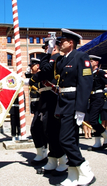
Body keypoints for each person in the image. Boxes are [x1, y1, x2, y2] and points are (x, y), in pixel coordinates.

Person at [51, 29, 95, 186]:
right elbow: (50, 68)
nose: (59, 43)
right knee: (71, 140)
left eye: (61, 41)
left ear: (70, 43)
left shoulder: (80, 56)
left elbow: (85, 83)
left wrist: (81, 108)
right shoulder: (63, 60)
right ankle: (73, 174)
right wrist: (50, 51)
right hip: (63, 102)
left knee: (65, 139)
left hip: (73, 103)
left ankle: (85, 170)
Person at [30, 36, 68, 175]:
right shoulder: (51, 59)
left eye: (49, 47)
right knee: (47, 131)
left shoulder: (57, 58)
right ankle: (52, 159)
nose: (47, 50)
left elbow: (44, 70)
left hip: (54, 99)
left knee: (54, 131)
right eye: (46, 48)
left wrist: (32, 79)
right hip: (46, 99)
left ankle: (63, 160)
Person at [87, 55, 107, 151]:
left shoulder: (101, 72)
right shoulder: (90, 73)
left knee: (93, 119)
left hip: (98, 97)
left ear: (96, 63)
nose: (89, 63)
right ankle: (97, 142)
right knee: (93, 120)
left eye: (92, 61)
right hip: (91, 97)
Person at [25, 57, 48, 165]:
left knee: (37, 129)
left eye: (32, 65)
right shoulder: (33, 77)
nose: (30, 68)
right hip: (35, 106)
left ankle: (43, 153)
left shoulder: (41, 76)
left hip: (42, 105)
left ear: (37, 66)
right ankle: (42, 152)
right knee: (38, 129)